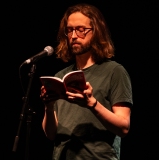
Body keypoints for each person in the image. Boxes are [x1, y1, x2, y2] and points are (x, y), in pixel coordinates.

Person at [40, 3, 133, 160]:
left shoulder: (114, 71)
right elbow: (50, 135)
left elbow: (123, 127)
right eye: (70, 30)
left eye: (81, 30)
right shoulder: (61, 75)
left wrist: (92, 104)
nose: (74, 36)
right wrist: (48, 107)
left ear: (96, 32)